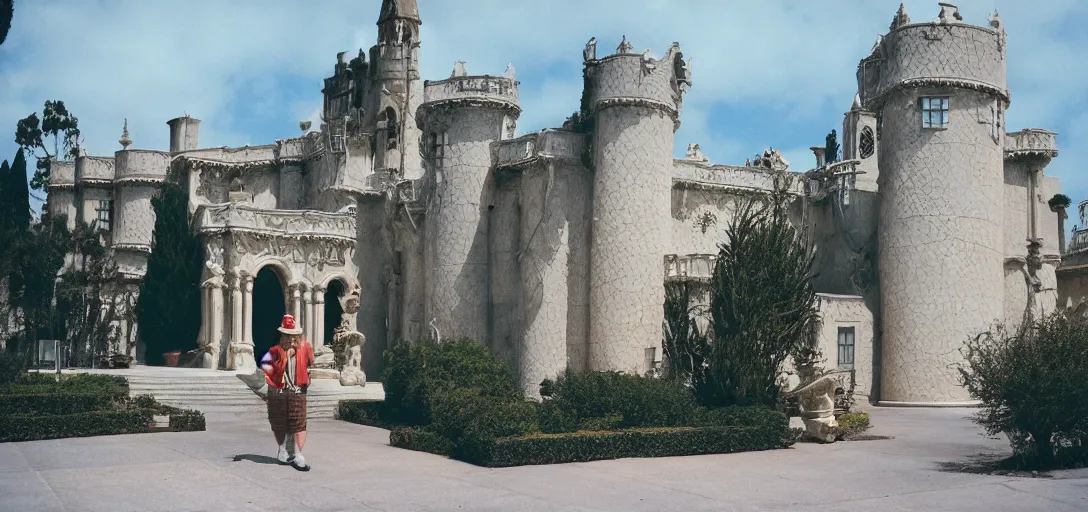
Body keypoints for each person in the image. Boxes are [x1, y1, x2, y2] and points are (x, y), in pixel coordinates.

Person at [261, 314, 315, 471]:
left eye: (294, 336)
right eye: (287, 336)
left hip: (298, 390)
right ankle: (283, 451)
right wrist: (282, 361)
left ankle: (298, 454)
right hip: (279, 391)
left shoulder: (305, 347)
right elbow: (265, 366)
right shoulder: (274, 351)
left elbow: (311, 361)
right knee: (280, 422)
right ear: (282, 336)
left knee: (298, 423)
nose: (291, 340)